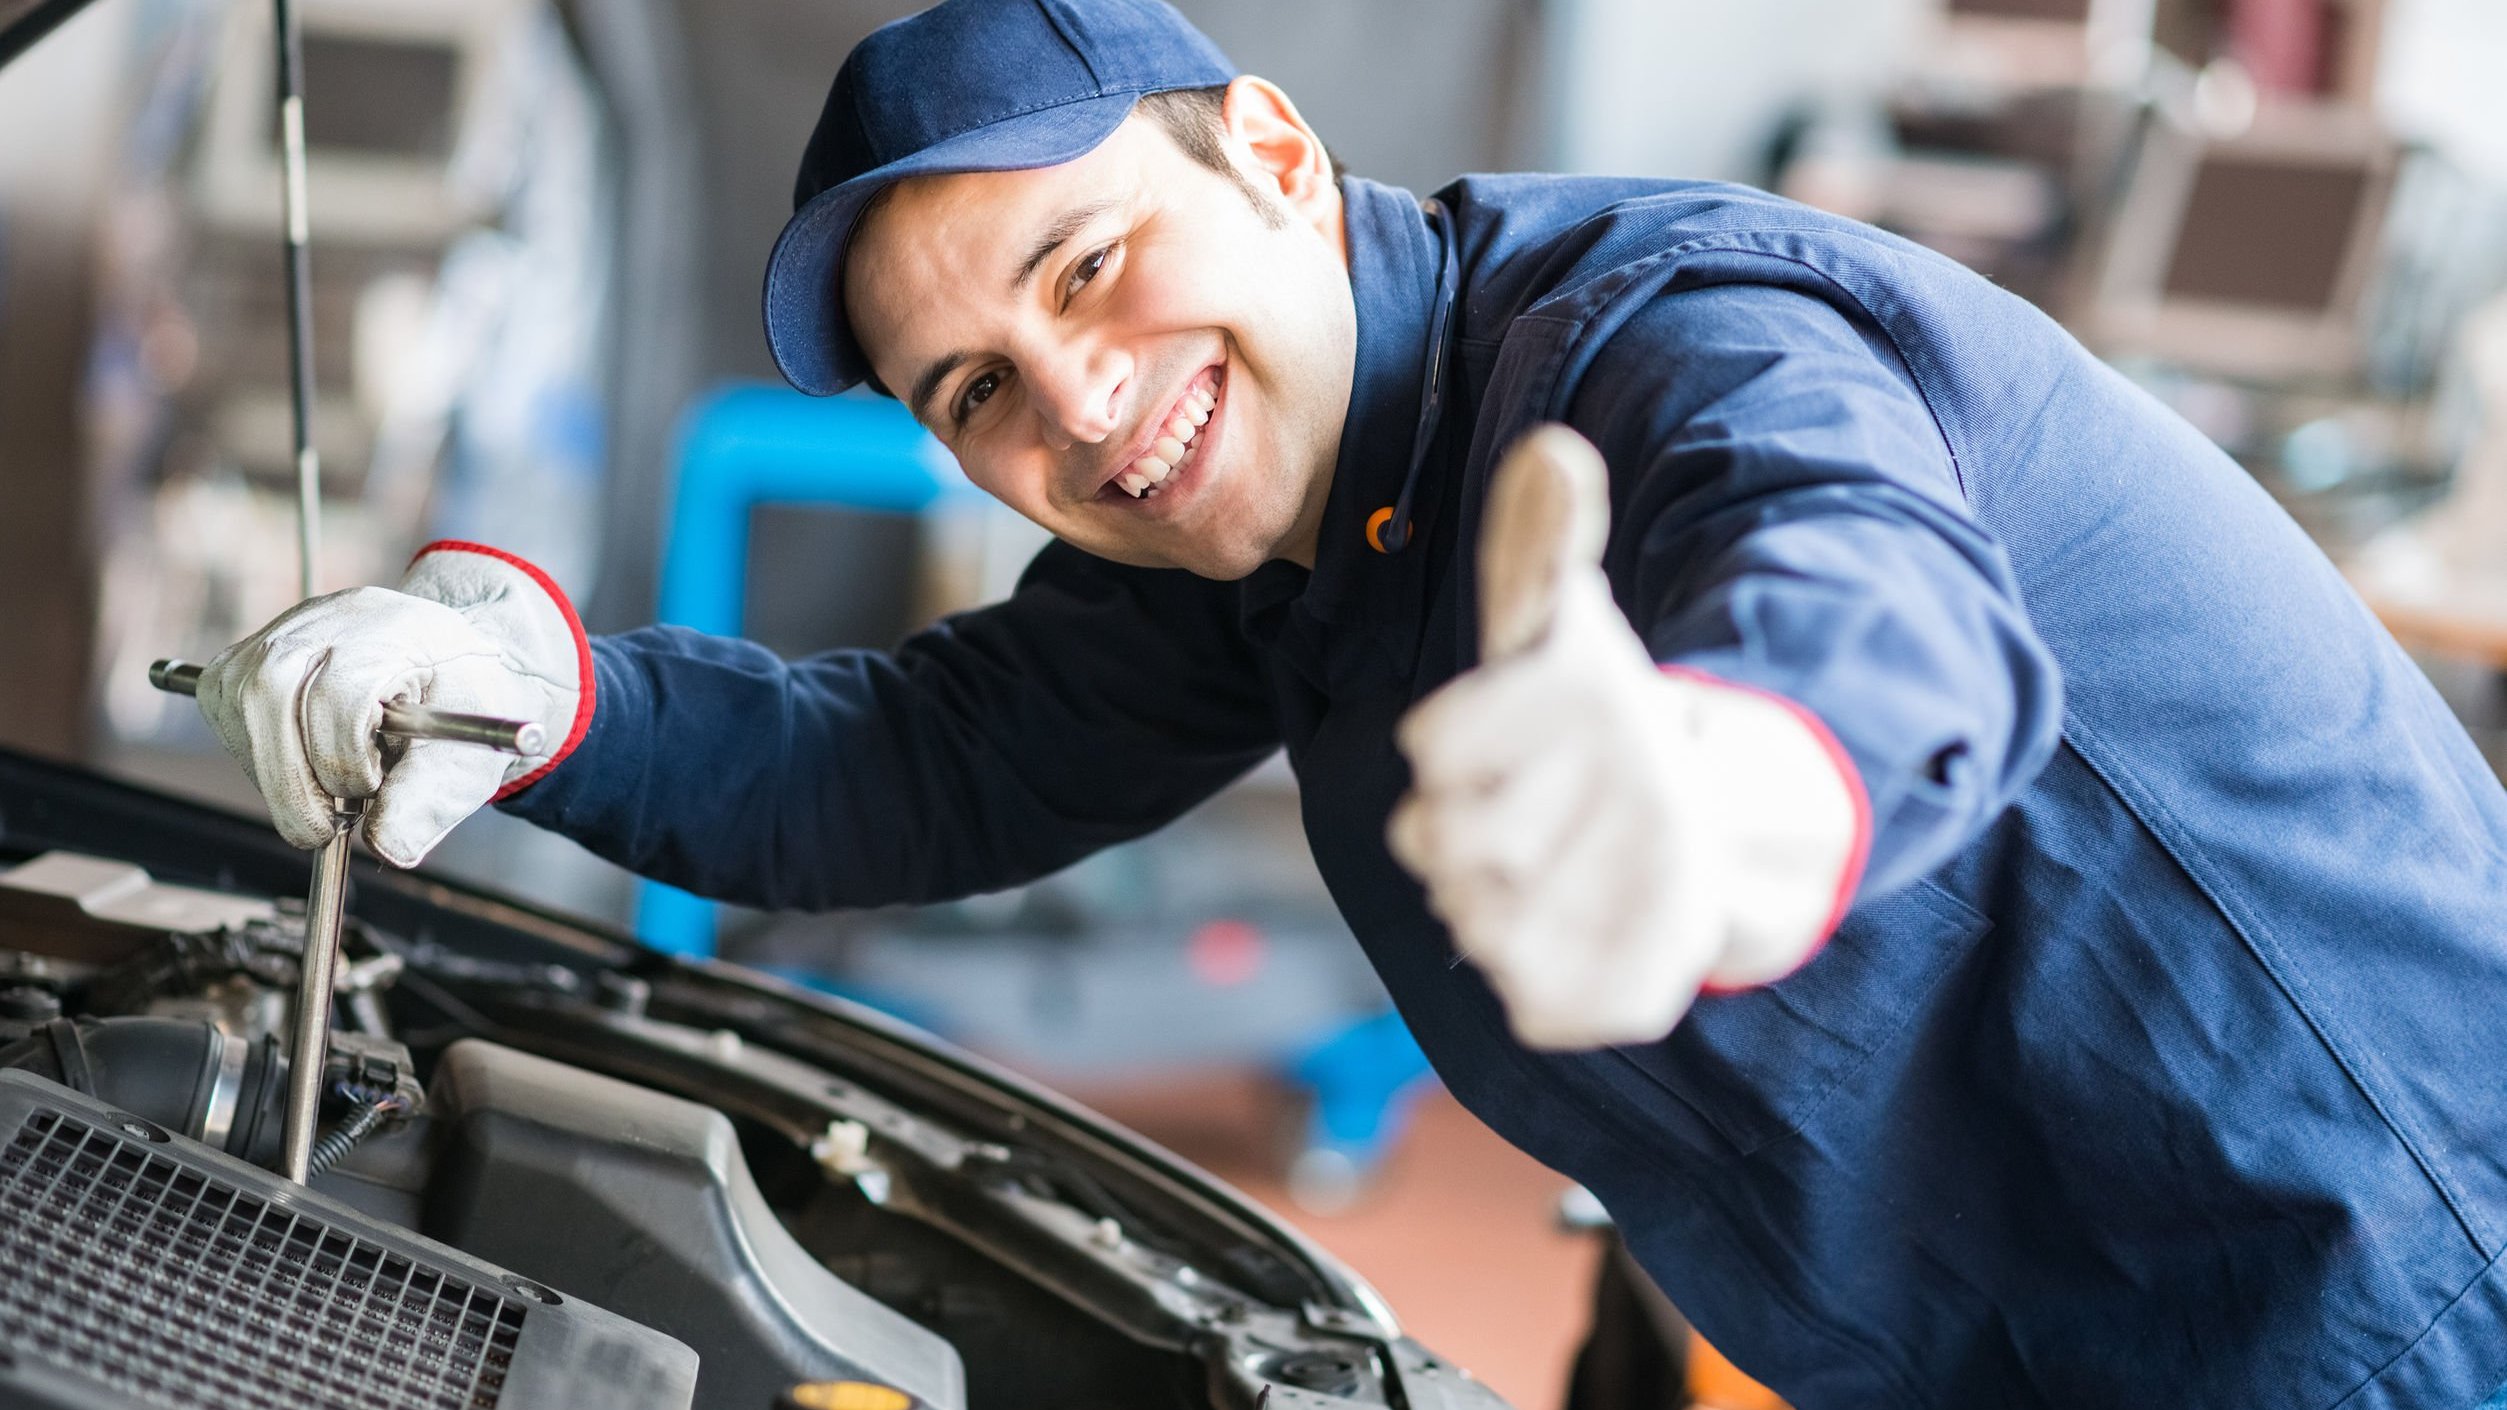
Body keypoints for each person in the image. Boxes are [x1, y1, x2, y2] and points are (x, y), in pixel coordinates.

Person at [193, 1, 2507, 1404]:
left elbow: (1869, 602)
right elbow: (932, 752)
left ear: (1278, 156)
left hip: (2372, 1301)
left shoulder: (1667, 336)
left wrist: (1726, 793)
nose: (1082, 411)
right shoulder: (1270, 519)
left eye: (1091, 266)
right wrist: (542, 689)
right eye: (979, 389)